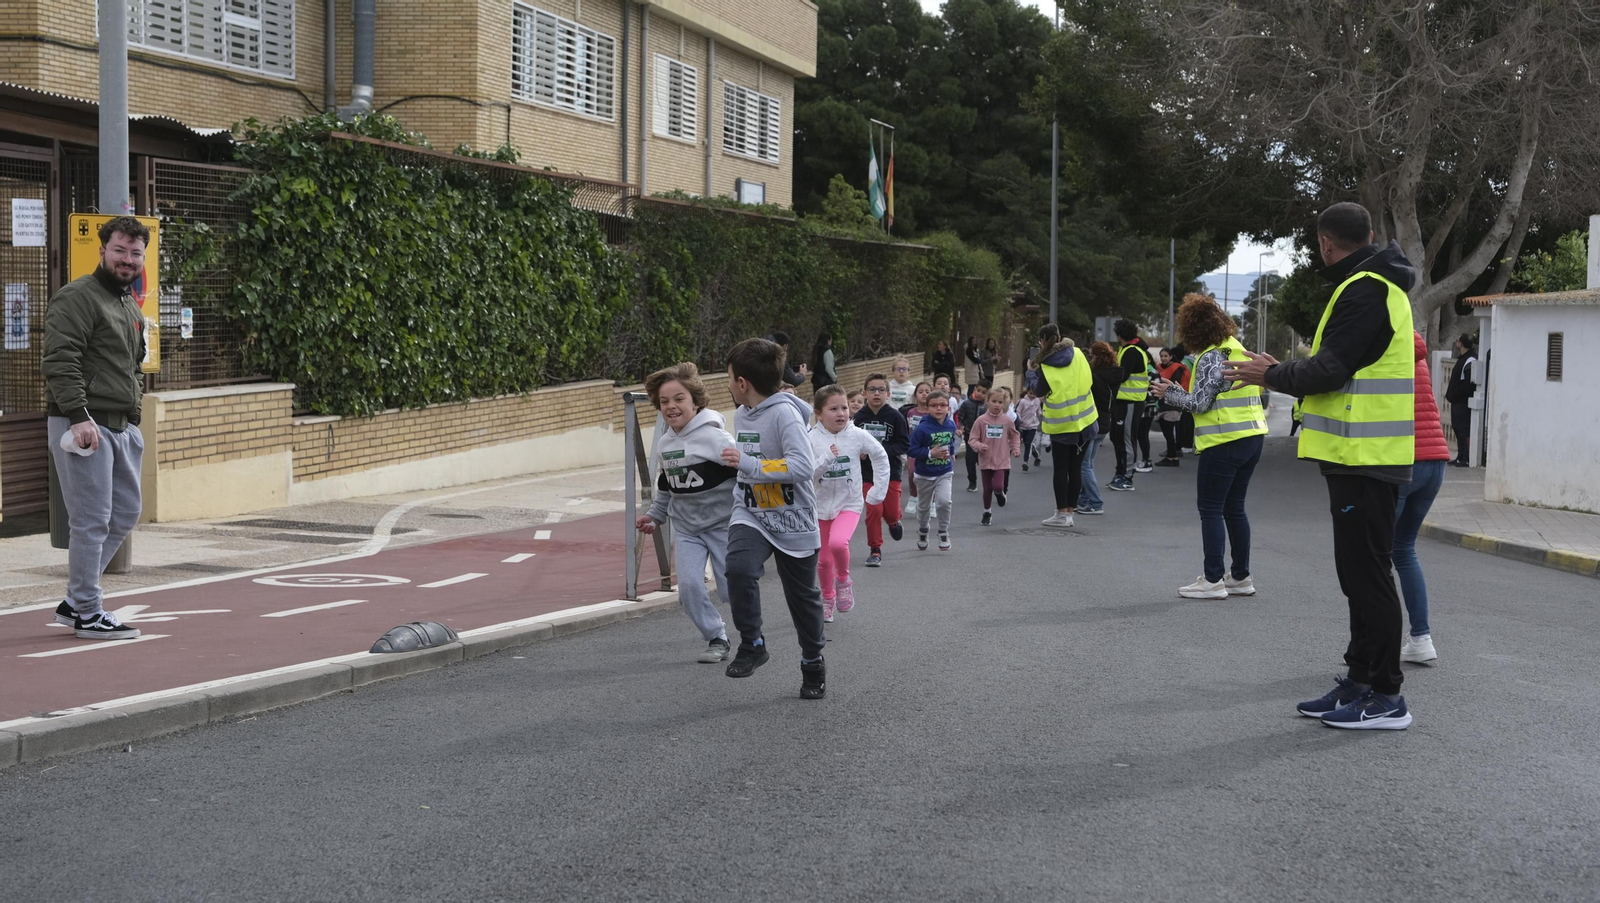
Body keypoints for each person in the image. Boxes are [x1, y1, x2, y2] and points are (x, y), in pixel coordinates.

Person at [1226, 201, 1418, 730]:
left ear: (1326, 245)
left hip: (1367, 458)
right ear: (1372, 234)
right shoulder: (1374, 286)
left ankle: (1387, 696)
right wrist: (1283, 370)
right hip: (1358, 457)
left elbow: (1330, 370)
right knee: (1357, 575)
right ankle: (1359, 680)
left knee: (1369, 575)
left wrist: (1273, 374)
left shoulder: (1366, 291)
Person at [43, 216, 151, 640]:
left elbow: (131, 367)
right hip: (85, 425)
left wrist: (134, 419)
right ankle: (88, 612)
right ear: (102, 250)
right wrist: (78, 417)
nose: (127, 259)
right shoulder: (78, 297)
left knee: (124, 512)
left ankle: (74, 601)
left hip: (120, 427)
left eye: (135, 253)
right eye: (120, 250)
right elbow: (59, 360)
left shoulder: (127, 303)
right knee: (91, 520)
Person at [720, 337, 828, 699]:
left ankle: (812, 661)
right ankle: (752, 643)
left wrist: (749, 464)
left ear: (742, 384)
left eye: (729, 377)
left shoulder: (783, 414)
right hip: (751, 510)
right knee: (737, 567)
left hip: (792, 517)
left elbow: (802, 466)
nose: (728, 383)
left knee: (803, 598)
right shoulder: (741, 413)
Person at [1151, 294, 1267, 599]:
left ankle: (1214, 580)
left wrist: (1169, 393)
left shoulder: (1210, 356)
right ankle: (1240, 577)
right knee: (1235, 508)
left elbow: (1199, 404)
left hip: (1223, 442)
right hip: (1252, 437)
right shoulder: (1237, 348)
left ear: (1193, 330)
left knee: (1211, 509)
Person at [637, 363, 736, 663]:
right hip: (688, 529)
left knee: (734, 589)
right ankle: (717, 636)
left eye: (679, 398)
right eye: (664, 401)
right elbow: (667, 485)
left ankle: (752, 637)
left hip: (724, 525)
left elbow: (745, 474)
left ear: (696, 400)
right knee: (690, 587)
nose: (671, 406)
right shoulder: (666, 444)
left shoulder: (716, 438)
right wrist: (655, 515)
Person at [809, 385, 890, 623]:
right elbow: (805, 472)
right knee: (823, 560)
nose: (841, 413)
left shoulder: (857, 435)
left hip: (849, 503)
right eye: (833, 408)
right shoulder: (810, 439)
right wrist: (826, 460)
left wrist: (878, 489)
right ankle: (827, 598)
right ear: (819, 413)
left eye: (844, 407)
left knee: (838, 543)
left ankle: (843, 581)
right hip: (820, 506)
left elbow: (880, 456)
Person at [1396, 330, 1448, 664]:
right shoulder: (1417, 352)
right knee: (1403, 550)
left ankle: (1371, 643)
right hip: (1434, 461)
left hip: (1402, 462)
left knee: (1371, 556)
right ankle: (1420, 638)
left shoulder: (1380, 347)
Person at [1026, 323, 1097, 528]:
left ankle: (1060, 514)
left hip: (1062, 425)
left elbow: (1038, 391)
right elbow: (1088, 378)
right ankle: (1070, 514)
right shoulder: (1077, 353)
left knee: (1061, 470)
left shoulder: (1046, 366)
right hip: (1086, 421)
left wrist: (1031, 372)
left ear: (1042, 341)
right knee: (1076, 469)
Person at [855, 373, 910, 567]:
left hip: (890, 472)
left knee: (890, 512)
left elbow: (904, 444)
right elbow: (851, 443)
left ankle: (894, 521)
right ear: (864, 393)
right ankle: (875, 549)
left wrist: (877, 451)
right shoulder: (858, 418)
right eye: (872, 390)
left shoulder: (895, 416)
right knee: (873, 509)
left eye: (881, 390)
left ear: (888, 394)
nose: (876, 393)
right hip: (867, 474)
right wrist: (859, 452)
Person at [907, 389, 959, 551]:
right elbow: (911, 450)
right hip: (924, 474)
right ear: (927, 408)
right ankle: (923, 529)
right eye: (934, 405)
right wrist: (930, 453)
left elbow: (950, 443)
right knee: (924, 507)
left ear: (948, 408)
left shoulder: (951, 425)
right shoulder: (922, 429)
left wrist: (951, 453)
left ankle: (943, 531)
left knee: (944, 502)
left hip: (944, 471)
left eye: (943, 405)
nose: (939, 408)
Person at [1078, 340, 1123, 516]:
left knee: (1084, 465)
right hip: (1105, 421)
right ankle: (1083, 500)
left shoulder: (1095, 376)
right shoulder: (1114, 375)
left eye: (1091, 355)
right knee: (1088, 464)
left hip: (1092, 421)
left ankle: (1096, 502)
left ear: (1096, 357)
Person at [1109, 318, 1153, 490]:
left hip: (1131, 402)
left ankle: (1127, 477)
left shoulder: (1132, 351)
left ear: (1120, 335)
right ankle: (1120, 473)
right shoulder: (1127, 349)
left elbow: (1122, 376)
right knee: (1117, 438)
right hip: (1123, 401)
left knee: (1127, 438)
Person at [969, 386, 1022, 526]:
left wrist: (1015, 449)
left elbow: (1015, 435)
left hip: (1002, 460)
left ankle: (1000, 494)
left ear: (1004, 403)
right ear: (987, 401)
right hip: (985, 461)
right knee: (987, 488)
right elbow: (972, 439)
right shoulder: (981, 421)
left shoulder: (1006, 421)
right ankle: (987, 512)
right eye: (994, 401)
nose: (997, 405)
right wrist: (979, 446)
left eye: (1000, 402)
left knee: (998, 486)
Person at [899, 381, 932, 518]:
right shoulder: (910, 412)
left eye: (927, 392)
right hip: (913, 448)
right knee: (912, 472)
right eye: (920, 392)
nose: (924, 394)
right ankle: (914, 496)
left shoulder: (933, 413)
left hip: (930, 448)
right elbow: (906, 429)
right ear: (915, 395)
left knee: (931, 476)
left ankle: (932, 501)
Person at [1153, 348, 1190, 467]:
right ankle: (1173, 457)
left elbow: (1174, 385)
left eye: (1165, 356)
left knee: (1168, 432)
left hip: (1172, 405)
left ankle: (1172, 457)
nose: (1163, 358)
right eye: (1161, 356)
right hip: (1163, 404)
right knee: (1167, 432)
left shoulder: (1176, 368)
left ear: (1171, 357)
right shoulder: (1159, 368)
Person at [1445, 333, 1477, 467]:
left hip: (1462, 403)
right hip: (1457, 402)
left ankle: (1465, 457)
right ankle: (1460, 456)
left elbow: (1468, 384)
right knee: (1458, 429)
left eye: (1458, 340)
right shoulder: (1463, 359)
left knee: (1464, 430)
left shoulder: (1470, 360)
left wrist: (1456, 395)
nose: (1456, 342)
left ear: (1461, 343)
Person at [956, 380, 991, 493]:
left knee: (984, 460)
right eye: (978, 390)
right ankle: (972, 482)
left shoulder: (988, 406)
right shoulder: (966, 404)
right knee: (970, 459)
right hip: (970, 436)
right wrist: (960, 427)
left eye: (983, 392)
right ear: (975, 389)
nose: (980, 393)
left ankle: (989, 481)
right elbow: (959, 417)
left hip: (985, 437)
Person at [1015, 386, 1042, 472]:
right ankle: (1036, 455)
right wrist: (1020, 419)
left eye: (1034, 394)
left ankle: (1025, 462)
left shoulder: (1037, 401)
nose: (1032, 396)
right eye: (1030, 393)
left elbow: (1038, 411)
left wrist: (1041, 415)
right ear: (1027, 392)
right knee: (1027, 443)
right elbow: (1018, 411)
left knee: (1028, 443)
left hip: (1033, 425)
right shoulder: (1022, 401)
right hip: (1023, 425)